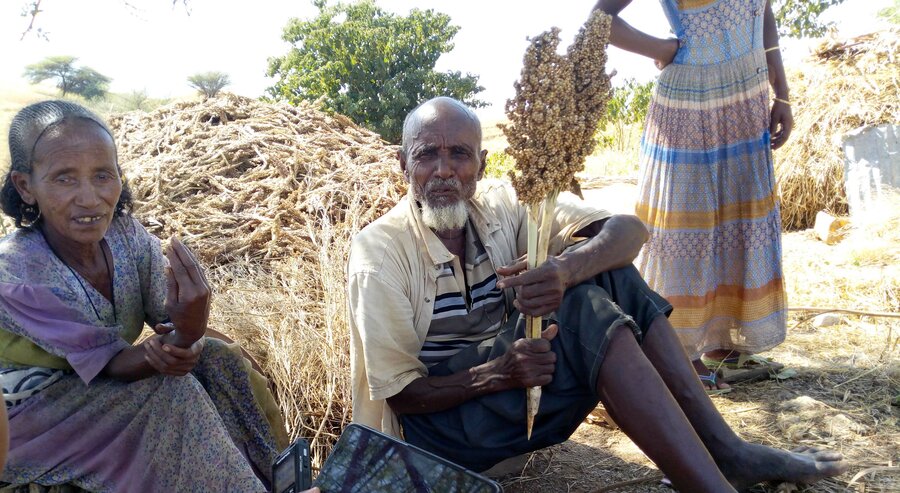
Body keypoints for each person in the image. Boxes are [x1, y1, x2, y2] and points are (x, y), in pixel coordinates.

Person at [347, 97, 845, 492]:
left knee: (606, 274)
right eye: (426, 154)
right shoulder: (381, 251)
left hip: (511, 403)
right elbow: (403, 397)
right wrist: (497, 374)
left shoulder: (503, 205)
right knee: (583, 308)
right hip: (436, 438)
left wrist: (565, 268)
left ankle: (726, 449)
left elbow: (628, 231)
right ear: (402, 163)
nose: (443, 170)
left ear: (482, 162)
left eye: (458, 154)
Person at [0, 100, 285, 492]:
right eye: (65, 178)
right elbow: (112, 365)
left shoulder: (127, 238)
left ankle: (280, 477)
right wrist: (184, 335)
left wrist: (200, 335)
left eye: (103, 175)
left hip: (99, 384)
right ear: (25, 186)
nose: (89, 198)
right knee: (169, 391)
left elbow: (167, 319)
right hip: (35, 416)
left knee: (220, 359)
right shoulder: (16, 272)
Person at [594, 0, 793, 392]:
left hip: (747, 97)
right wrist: (664, 49)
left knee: (739, 221)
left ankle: (724, 344)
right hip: (690, 101)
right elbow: (602, 19)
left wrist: (781, 93)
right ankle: (681, 353)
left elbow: (764, 13)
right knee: (688, 227)